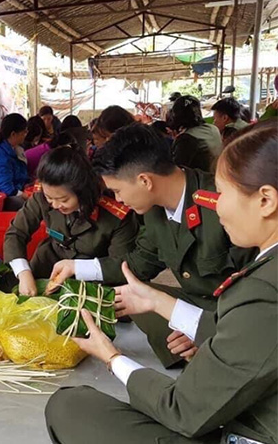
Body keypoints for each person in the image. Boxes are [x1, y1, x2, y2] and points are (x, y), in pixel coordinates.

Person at [45, 120, 277, 444]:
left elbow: (182, 410)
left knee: (68, 406)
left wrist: (112, 357)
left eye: (224, 194)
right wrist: (159, 304)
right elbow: (137, 265)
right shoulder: (155, 213)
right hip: (237, 333)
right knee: (138, 299)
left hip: (241, 404)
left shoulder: (259, 283)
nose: (219, 201)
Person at [49, 123, 256, 368]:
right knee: (134, 295)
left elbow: (258, 289)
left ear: (145, 180)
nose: (118, 200)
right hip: (202, 302)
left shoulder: (223, 203)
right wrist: (76, 267)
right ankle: (197, 354)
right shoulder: (155, 211)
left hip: (244, 316)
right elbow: (138, 264)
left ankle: (215, 356)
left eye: (117, 190)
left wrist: (204, 329)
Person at [4, 146, 139, 296]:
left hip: (91, 282)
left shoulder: (115, 216)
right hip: (47, 267)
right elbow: (16, 233)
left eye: (63, 200)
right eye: (50, 198)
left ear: (82, 191)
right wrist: (23, 272)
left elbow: (119, 266)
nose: (54, 205)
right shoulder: (42, 195)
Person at [169, 95, 222, 172]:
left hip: (200, 181)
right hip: (217, 176)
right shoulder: (213, 128)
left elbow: (177, 169)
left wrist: (176, 141)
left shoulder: (186, 138)